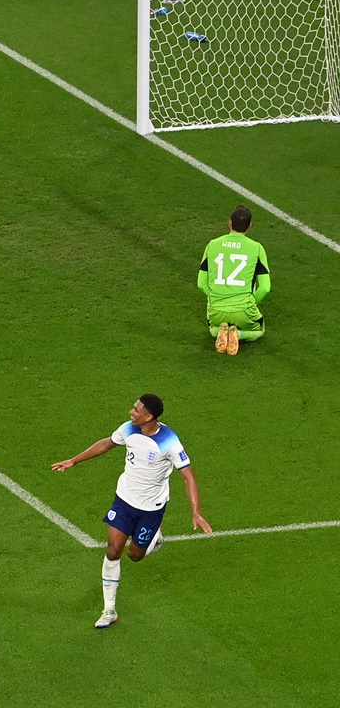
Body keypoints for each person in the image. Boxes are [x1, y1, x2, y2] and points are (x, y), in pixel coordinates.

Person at [51, 394, 213, 630]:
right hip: (124, 501)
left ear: (149, 416)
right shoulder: (129, 429)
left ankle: (154, 537)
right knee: (113, 549)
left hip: (151, 508)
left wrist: (196, 512)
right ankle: (109, 610)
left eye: (136, 410)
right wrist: (74, 461)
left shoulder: (169, 441)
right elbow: (107, 443)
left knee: (135, 555)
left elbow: (187, 474)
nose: (131, 412)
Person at [198, 204, 271, 355]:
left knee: (211, 329)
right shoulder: (257, 248)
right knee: (260, 329)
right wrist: (248, 302)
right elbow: (265, 287)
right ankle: (238, 334)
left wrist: (216, 297)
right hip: (244, 310)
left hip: (217, 310)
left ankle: (219, 331)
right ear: (250, 225)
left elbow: (201, 283)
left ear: (229, 222)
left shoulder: (212, 245)